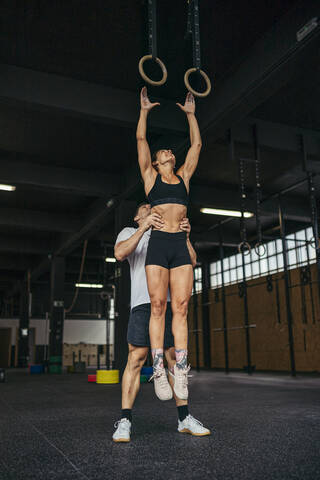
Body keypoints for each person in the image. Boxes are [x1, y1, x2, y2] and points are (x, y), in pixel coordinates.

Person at [112, 202, 210, 442]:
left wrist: (185, 236)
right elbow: (119, 253)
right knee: (135, 359)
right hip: (143, 305)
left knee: (174, 359)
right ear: (136, 215)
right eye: (147, 206)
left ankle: (184, 418)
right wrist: (144, 227)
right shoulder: (129, 231)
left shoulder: (172, 233)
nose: (153, 207)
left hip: (168, 306)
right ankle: (125, 420)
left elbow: (192, 261)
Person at [136, 87, 202, 401]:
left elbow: (197, 144)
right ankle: (159, 368)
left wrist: (191, 115)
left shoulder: (184, 178)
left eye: (169, 154)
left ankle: (182, 368)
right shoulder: (151, 178)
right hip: (159, 244)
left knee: (182, 307)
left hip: (179, 244)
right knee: (158, 306)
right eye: (164, 154)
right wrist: (144, 112)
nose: (168, 154)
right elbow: (140, 142)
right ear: (159, 163)